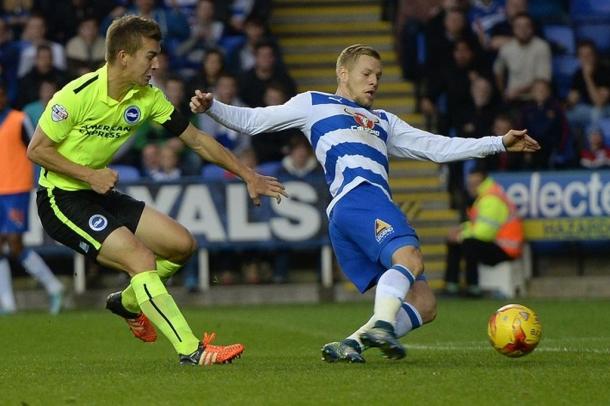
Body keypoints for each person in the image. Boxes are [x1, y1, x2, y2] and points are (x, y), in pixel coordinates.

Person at [190, 43, 540, 363]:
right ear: (343, 74)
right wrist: (213, 107)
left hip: (352, 214)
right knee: (410, 258)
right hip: (359, 196)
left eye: (379, 76)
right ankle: (382, 325)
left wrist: (498, 143)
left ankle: (354, 343)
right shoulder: (314, 103)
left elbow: (438, 146)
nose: (374, 82)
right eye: (366, 74)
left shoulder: (384, 121)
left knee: (425, 304)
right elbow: (254, 121)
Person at [26, 16, 286, 366]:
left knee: (181, 245)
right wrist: (89, 175)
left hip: (96, 190)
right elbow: (37, 151)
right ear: (123, 56)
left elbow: (195, 140)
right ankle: (191, 350)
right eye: (150, 56)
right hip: (60, 198)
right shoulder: (74, 96)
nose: (157, 63)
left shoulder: (148, 98)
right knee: (141, 259)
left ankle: (128, 302)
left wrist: (246, 174)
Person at [0, 82, 64, 315]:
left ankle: (53, 286)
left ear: (5, 96)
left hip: (16, 189)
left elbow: (37, 149)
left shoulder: (19, 120)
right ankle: (7, 304)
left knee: (15, 244)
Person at [443, 165, 524, 297]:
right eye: (469, 184)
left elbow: (485, 232)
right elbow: (478, 225)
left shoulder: (491, 199)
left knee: (468, 244)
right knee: (458, 242)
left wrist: (460, 236)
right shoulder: (486, 196)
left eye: (474, 184)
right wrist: (461, 230)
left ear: (483, 182)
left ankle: (472, 287)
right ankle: (452, 285)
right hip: (500, 245)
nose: (471, 187)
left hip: (506, 249)